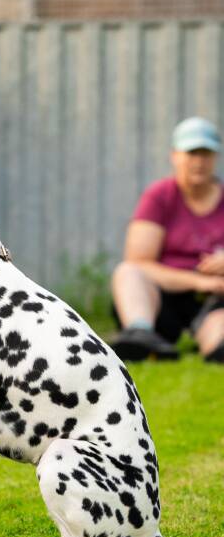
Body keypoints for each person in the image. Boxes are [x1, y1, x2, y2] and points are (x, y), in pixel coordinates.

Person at [109, 115, 224, 363]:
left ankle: (211, 344)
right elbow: (139, 261)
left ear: (215, 157)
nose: (199, 162)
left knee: (219, 346)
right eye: (191, 153)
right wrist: (198, 282)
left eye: (206, 154)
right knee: (127, 272)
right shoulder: (159, 196)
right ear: (175, 155)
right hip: (165, 297)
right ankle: (141, 333)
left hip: (216, 298)